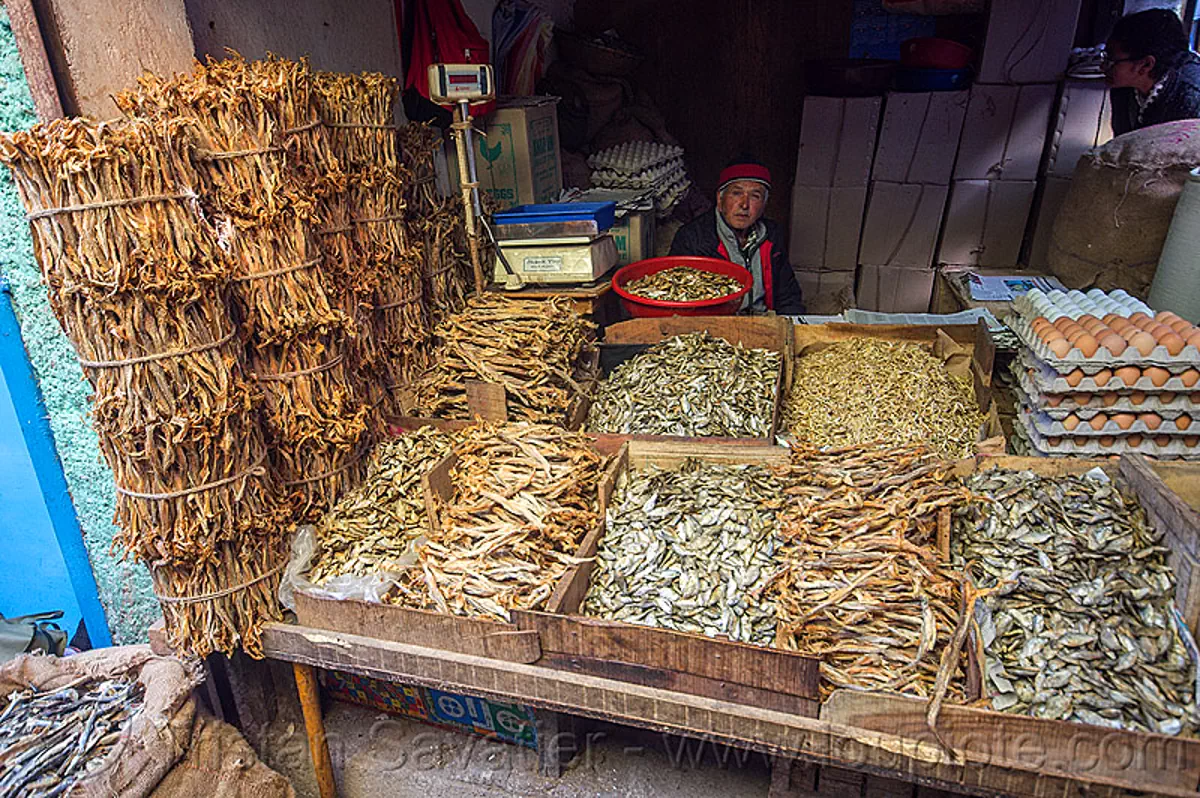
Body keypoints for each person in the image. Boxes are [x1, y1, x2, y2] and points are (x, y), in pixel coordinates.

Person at [669, 157, 805, 314]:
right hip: (716, 327)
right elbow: (680, 302)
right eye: (736, 193)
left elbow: (788, 297)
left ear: (764, 205)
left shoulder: (772, 235)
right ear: (720, 199)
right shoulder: (692, 238)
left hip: (764, 323)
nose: (744, 204)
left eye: (755, 196)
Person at [1105, 8, 1200, 135]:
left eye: (1111, 60)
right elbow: (1123, 141)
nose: (1102, 66)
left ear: (1146, 65)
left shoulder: (1191, 99)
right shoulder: (1123, 85)